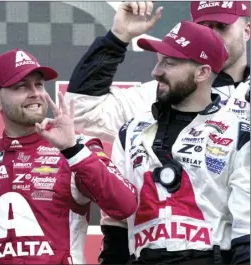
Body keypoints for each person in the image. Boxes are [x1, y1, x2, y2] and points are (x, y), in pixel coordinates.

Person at [0, 48, 138, 264]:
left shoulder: (77, 147)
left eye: (38, 84)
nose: (35, 93)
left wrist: (72, 150)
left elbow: (125, 206)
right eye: (21, 86)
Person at [92, 19, 250, 264]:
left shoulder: (237, 133)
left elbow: (246, 230)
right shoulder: (131, 130)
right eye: (158, 61)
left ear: (202, 72)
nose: (156, 72)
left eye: (170, 63)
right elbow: (117, 226)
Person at [65, 1, 250, 146]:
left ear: (246, 31)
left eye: (221, 26)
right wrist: (117, 37)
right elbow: (83, 112)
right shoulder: (161, 93)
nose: (213, 35)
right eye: (204, 27)